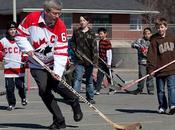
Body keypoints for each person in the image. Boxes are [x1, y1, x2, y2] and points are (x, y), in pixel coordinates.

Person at [15, 0, 83, 129]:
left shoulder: (60, 26)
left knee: (58, 87)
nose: (58, 16)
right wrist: (27, 48)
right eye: (55, 13)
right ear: (46, 11)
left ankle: (74, 102)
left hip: (53, 63)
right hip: (36, 63)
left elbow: (61, 51)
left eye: (60, 13)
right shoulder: (31, 18)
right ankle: (59, 121)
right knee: (44, 90)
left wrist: (57, 71)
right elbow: (19, 36)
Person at [147, 17, 175, 114]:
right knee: (160, 90)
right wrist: (151, 69)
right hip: (159, 69)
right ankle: (162, 106)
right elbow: (151, 55)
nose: (160, 29)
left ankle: (172, 105)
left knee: (171, 87)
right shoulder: (154, 40)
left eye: (162, 27)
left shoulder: (172, 37)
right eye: (158, 28)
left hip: (172, 68)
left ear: (166, 27)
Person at [0, 21, 28, 111]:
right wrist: (1, 55)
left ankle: (23, 97)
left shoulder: (21, 40)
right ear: (8, 31)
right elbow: (0, 52)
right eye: (10, 29)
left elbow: (26, 51)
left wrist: (25, 57)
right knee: (9, 88)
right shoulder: (3, 41)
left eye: (14, 29)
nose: (12, 31)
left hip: (19, 68)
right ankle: (12, 104)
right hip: (9, 68)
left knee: (20, 86)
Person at [71, 15, 98, 104]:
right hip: (79, 60)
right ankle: (75, 97)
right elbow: (72, 43)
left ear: (87, 22)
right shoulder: (76, 32)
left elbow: (95, 50)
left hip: (89, 61)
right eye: (80, 20)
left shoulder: (92, 33)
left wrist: (95, 65)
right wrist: (75, 51)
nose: (82, 22)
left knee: (89, 80)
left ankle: (90, 97)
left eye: (83, 20)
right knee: (77, 79)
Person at [128, 27, 154, 95]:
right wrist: (139, 47)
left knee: (150, 76)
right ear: (143, 34)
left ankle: (150, 90)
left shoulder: (153, 41)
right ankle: (140, 88)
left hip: (151, 62)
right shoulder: (140, 40)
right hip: (142, 62)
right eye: (145, 34)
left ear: (151, 34)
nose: (147, 35)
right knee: (142, 76)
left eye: (148, 34)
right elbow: (132, 45)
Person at [94, 27, 116, 95]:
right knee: (99, 76)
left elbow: (109, 52)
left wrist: (109, 63)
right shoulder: (100, 41)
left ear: (105, 34)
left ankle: (112, 89)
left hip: (107, 62)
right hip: (101, 62)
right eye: (99, 34)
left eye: (101, 34)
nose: (100, 35)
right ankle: (97, 89)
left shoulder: (107, 42)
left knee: (109, 76)